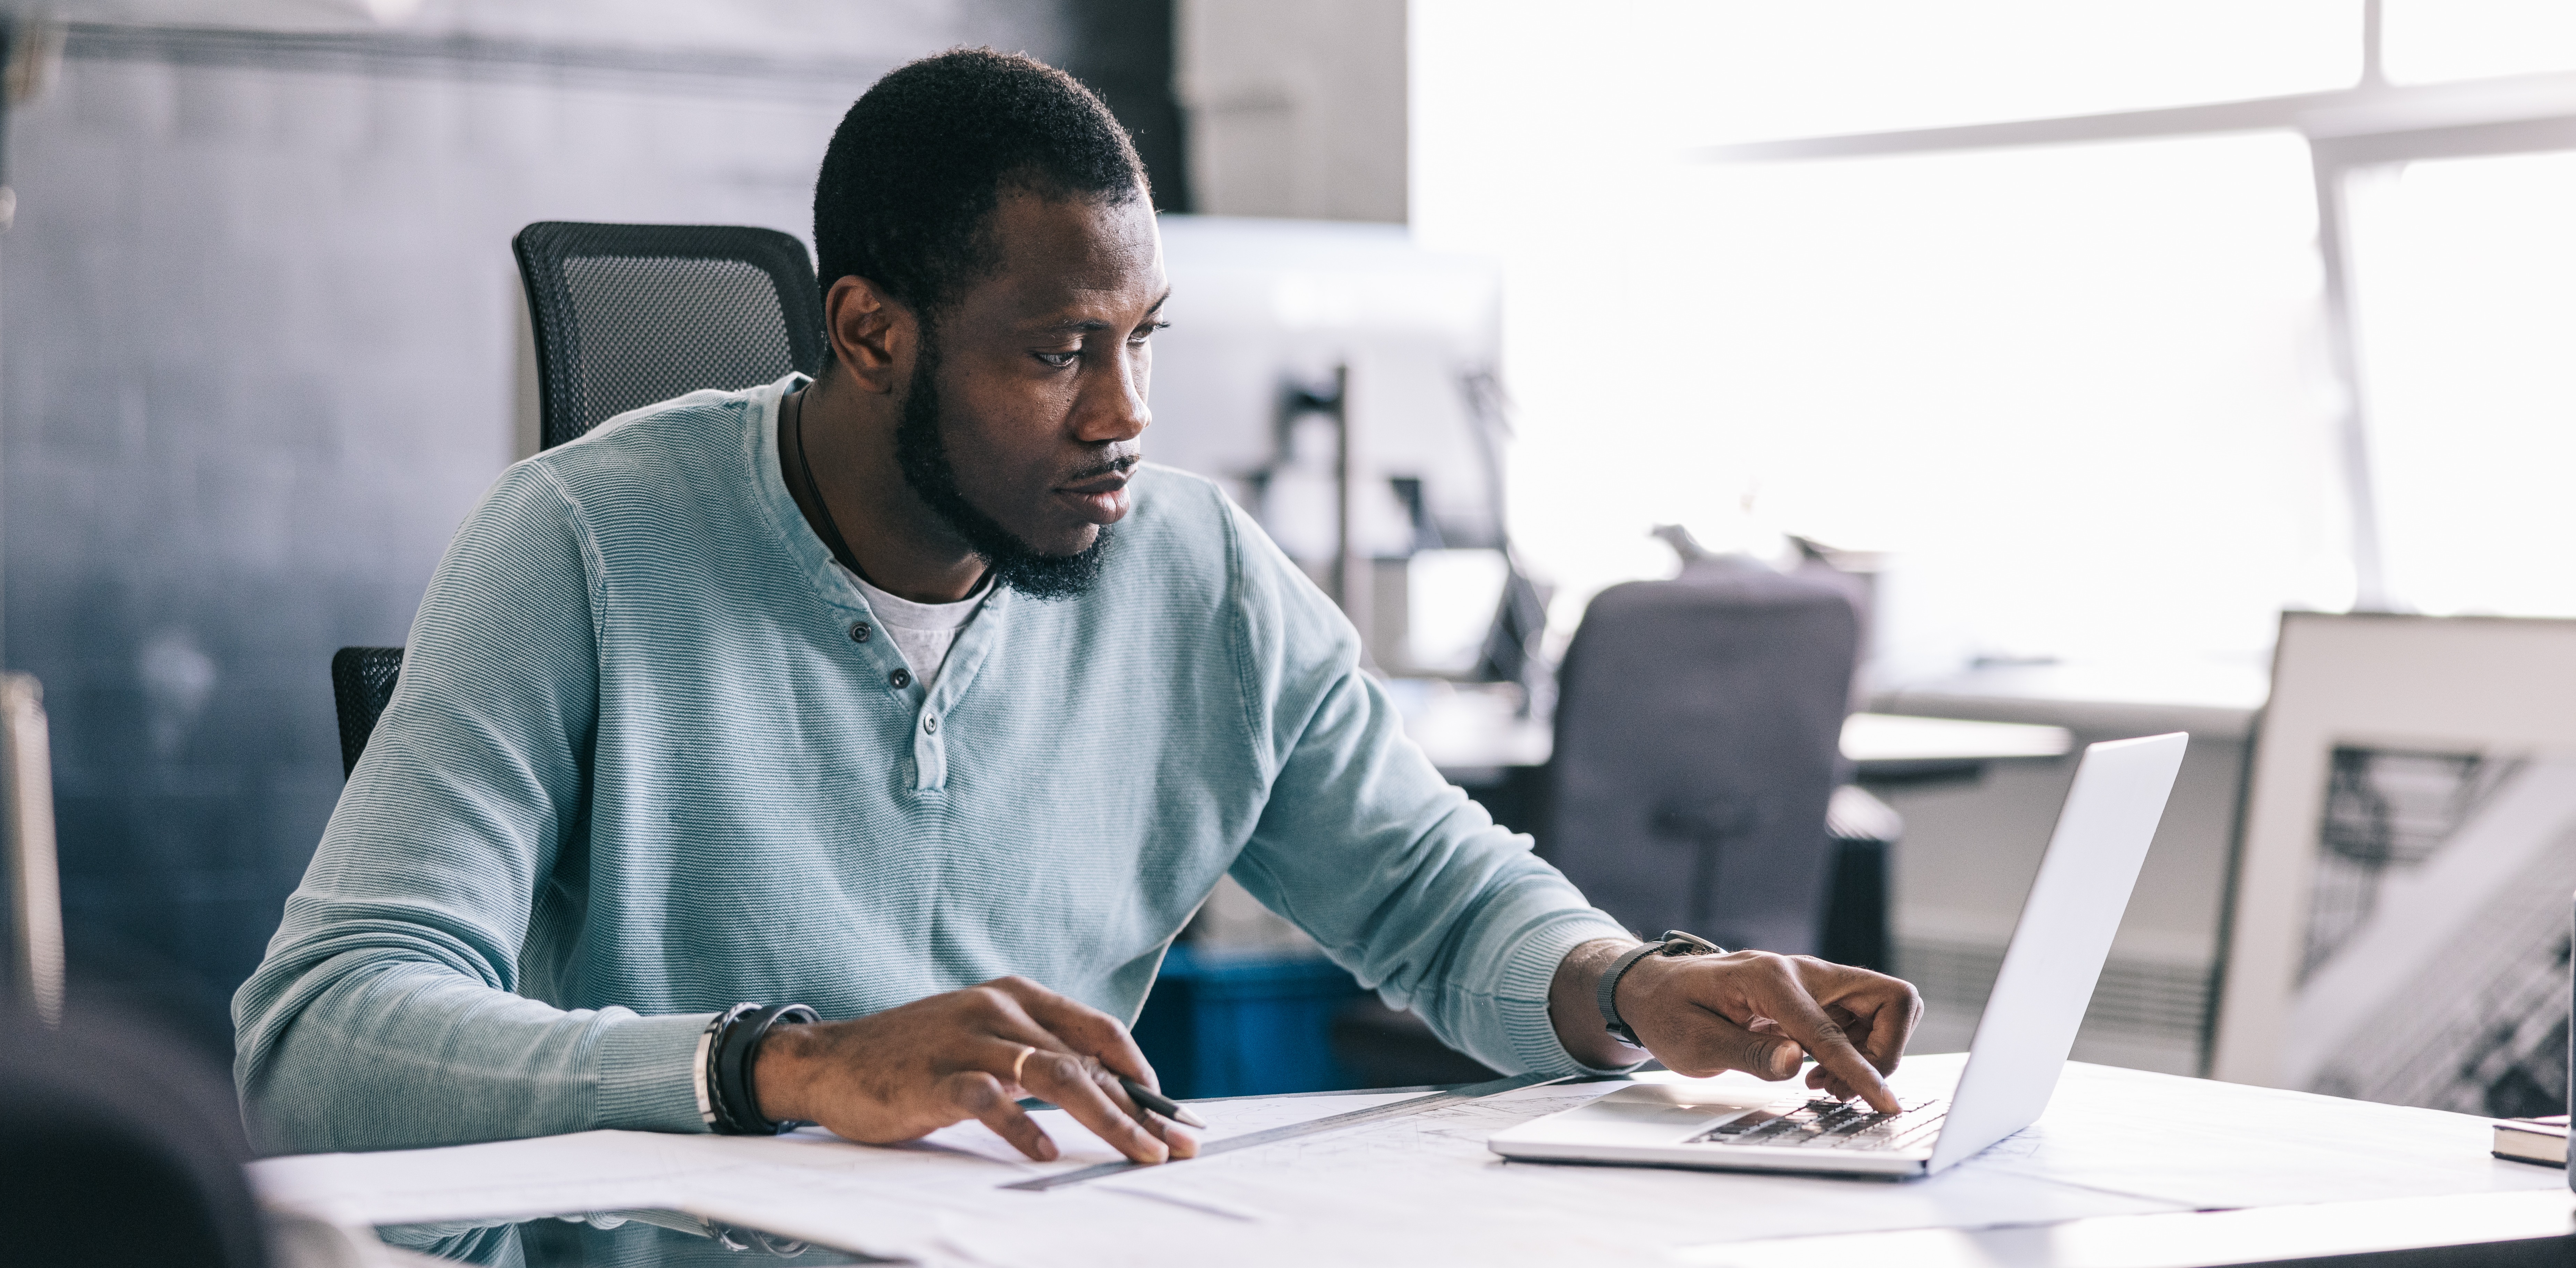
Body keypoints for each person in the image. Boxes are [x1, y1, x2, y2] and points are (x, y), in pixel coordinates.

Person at [233, 49, 1921, 1164]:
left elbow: (1431, 892)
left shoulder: (1192, 572)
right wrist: (786, 1063)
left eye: (1140, 342)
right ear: (873, 333)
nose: (1122, 414)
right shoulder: (581, 546)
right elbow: (318, 1039)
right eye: (1058, 352)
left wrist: (1634, 986)